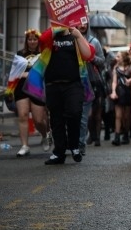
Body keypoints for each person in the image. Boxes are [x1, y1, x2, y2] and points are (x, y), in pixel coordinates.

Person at [23, 26, 95, 165]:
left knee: (75, 113)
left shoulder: (75, 36)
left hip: (73, 84)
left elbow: (88, 55)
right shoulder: (50, 36)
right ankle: (59, 152)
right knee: (56, 119)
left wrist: (79, 36)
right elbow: (42, 39)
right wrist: (56, 28)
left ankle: (74, 146)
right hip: (53, 85)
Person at [13, 29, 52, 157]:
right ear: (26, 41)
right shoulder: (19, 54)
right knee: (23, 115)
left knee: (38, 120)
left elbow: (46, 71)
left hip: (37, 88)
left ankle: (45, 134)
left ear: (38, 40)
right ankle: (25, 145)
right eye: (30, 39)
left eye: (35, 39)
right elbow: (14, 72)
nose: (32, 42)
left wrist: (30, 74)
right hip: (21, 87)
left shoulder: (43, 54)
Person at [78, 23, 106, 156]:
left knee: (88, 115)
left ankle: (83, 142)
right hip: (74, 82)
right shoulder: (70, 40)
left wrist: (91, 57)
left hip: (91, 82)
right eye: (78, 22)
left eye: (84, 22)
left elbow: (102, 61)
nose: (81, 25)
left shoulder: (94, 41)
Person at [109, 51, 131, 146]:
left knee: (127, 116)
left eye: (118, 56)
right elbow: (114, 82)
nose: (116, 57)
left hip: (128, 93)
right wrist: (113, 92)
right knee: (118, 116)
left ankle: (126, 133)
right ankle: (117, 136)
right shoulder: (116, 69)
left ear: (124, 58)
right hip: (119, 93)